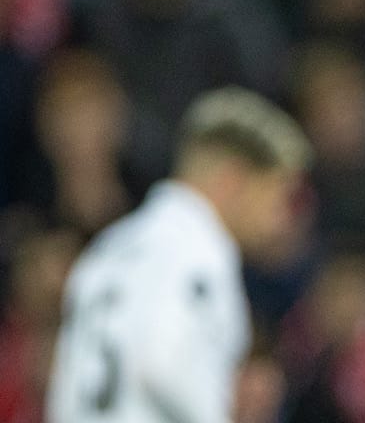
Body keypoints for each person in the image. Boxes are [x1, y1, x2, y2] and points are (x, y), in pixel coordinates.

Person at [44, 86, 312, 423]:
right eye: (276, 197)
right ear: (232, 182)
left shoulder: (108, 248)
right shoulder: (199, 252)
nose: (280, 221)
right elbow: (160, 356)